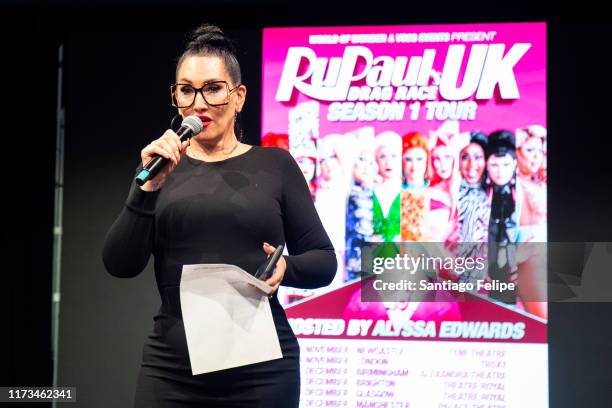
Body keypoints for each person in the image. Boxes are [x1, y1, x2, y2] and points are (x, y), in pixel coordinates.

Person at [101, 24, 336, 407]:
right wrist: (146, 190)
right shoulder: (161, 169)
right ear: (175, 97)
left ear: (238, 96)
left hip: (261, 373)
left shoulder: (274, 166)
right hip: (172, 373)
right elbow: (120, 263)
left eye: (213, 88)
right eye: (186, 90)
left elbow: (324, 262)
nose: (199, 103)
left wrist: (285, 270)